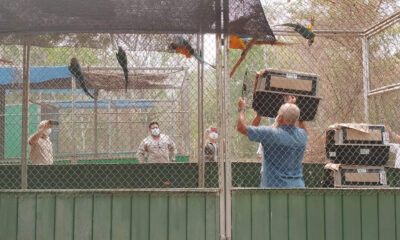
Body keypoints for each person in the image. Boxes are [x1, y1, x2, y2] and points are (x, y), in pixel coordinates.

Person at [236, 96, 308, 188]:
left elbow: (241, 127)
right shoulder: (302, 135)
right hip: (297, 187)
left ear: (280, 117)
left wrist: (241, 109)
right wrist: (290, 106)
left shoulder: (270, 134)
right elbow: (295, 120)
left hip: (274, 188)